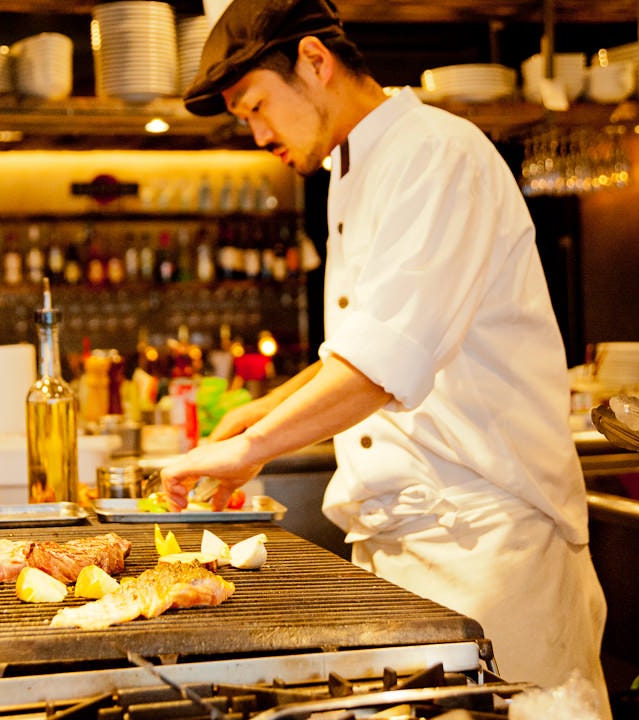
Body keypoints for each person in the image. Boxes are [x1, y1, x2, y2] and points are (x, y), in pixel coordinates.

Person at [160, 0, 611, 715]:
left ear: (314, 61)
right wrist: (265, 408)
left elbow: (386, 360)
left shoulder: (434, 153)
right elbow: (365, 341)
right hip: (404, 546)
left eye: (256, 107)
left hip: (485, 544)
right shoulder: (354, 169)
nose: (258, 135)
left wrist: (252, 447)